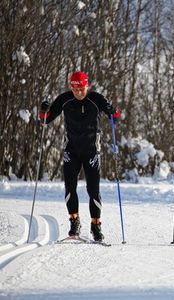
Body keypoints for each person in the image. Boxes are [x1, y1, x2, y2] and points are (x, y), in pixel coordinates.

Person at [39, 71, 120, 241]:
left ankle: (95, 225)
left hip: (91, 151)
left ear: (86, 85)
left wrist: (114, 111)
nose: (78, 93)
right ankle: (74, 222)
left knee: (93, 189)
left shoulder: (96, 99)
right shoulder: (65, 99)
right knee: (70, 187)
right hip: (72, 150)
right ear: (71, 87)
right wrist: (44, 110)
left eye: (81, 89)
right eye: (75, 90)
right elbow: (46, 120)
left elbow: (115, 116)